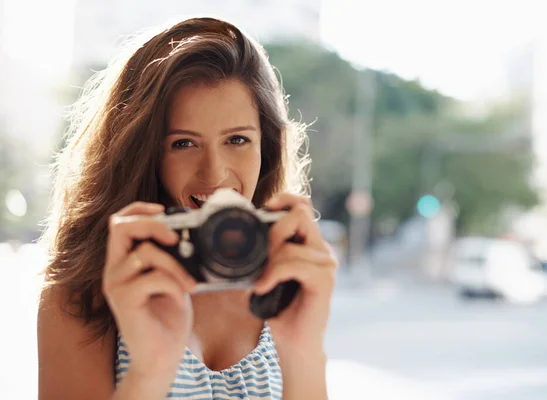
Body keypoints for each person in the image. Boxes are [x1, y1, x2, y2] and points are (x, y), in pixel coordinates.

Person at [37, 16, 337, 400]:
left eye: (237, 140)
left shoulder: (285, 280)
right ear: (145, 153)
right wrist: (150, 369)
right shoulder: (85, 292)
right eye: (183, 143)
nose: (214, 173)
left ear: (268, 146)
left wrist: (303, 354)